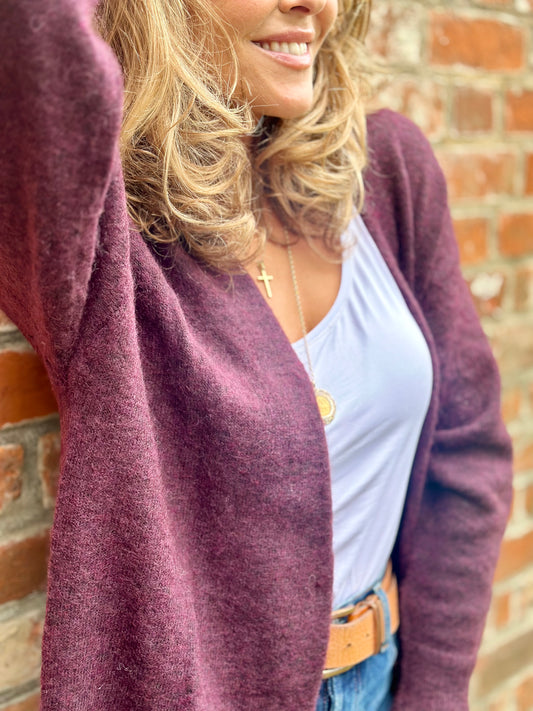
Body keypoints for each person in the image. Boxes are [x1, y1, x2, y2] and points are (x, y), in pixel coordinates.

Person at [0, 0, 512, 709]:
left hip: (385, 678)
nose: (313, 5)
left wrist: (433, 691)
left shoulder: (387, 170)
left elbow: (467, 448)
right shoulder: (100, 227)